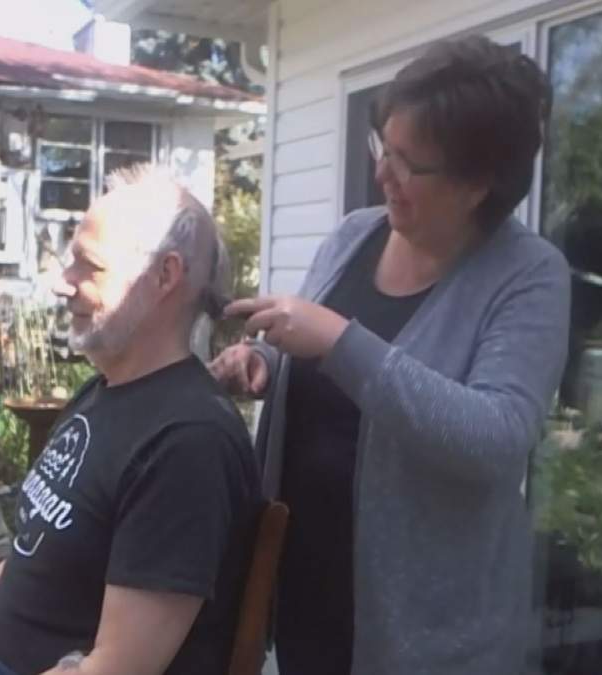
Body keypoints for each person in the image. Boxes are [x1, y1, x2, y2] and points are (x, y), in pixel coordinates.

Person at [210, 35, 571, 675]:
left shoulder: (529, 275)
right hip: (304, 600)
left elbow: (498, 439)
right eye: (384, 146)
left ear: (477, 184)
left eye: (408, 163)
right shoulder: (355, 235)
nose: (383, 173)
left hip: (427, 638)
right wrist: (269, 366)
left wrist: (339, 341)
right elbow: (325, 372)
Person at [0, 166, 261, 675]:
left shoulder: (188, 444)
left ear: (164, 276)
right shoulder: (104, 394)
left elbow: (118, 666)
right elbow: (25, 559)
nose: (63, 284)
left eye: (89, 266)